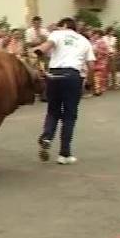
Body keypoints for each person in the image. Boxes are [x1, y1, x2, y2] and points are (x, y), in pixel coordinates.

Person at [33, 17, 95, 165]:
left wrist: (38, 51)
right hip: (73, 76)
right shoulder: (84, 41)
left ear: (64, 25)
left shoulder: (57, 34)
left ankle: (47, 137)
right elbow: (91, 66)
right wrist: (90, 83)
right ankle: (64, 154)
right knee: (69, 115)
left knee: (53, 110)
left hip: (54, 75)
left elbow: (45, 47)